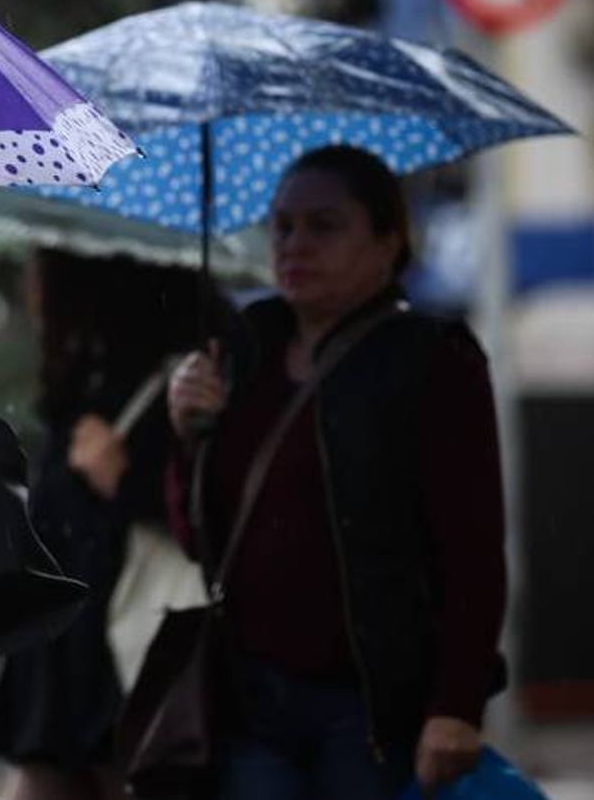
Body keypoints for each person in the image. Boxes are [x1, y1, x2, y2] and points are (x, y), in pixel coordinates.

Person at [165, 145, 506, 799]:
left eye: (324, 225)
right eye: (282, 226)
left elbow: (474, 551)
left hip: (370, 707)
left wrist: (456, 705)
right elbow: (196, 538)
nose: (294, 244)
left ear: (388, 241)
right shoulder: (245, 348)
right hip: (249, 698)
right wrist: (187, 439)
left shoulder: (434, 361)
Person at [0, 250, 208, 800]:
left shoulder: (177, 376)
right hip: (62, 637)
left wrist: (123, 482)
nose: (31, 284)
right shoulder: (80, 375)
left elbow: (211, 512)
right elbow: (46, 514)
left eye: (43, 267)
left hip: (126, 628)